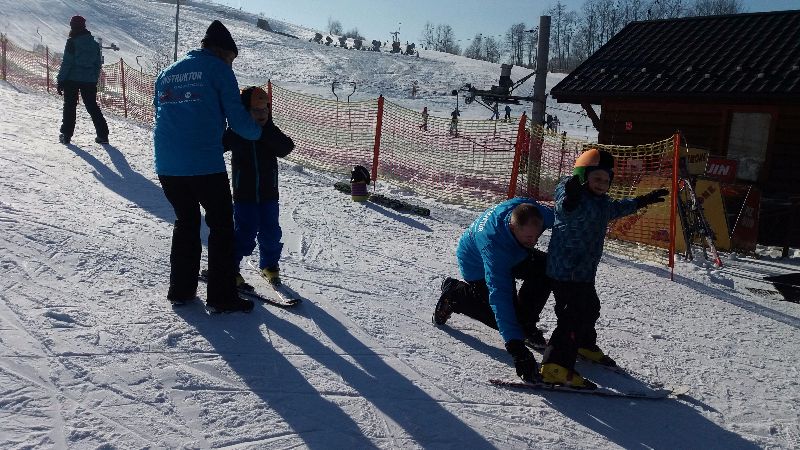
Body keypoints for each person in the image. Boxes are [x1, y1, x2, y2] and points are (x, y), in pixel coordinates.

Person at [153, 20, 263, 313]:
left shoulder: (167, 73)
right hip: (203, 164)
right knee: (221, 226)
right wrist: (259, 131)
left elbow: (159, 114)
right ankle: (221, 296)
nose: (231, 64)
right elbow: (238, 121)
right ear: (223, 52)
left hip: (167, 164)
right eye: (231, 59)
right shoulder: (218, 69)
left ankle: (181, 290)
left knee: (186, 222)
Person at [540, 149, 669, 388]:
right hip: (566, 271)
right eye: (596, 178)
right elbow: (564, 210)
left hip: (584, 271)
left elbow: (617, 209)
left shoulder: (602, 202)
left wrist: (643, 200)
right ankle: (554, 366)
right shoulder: (570, 191)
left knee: (590, 308)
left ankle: (583, 344)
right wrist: (571, 198)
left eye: (606, 180)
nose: (602, 184)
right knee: (572, 317)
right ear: (582, 175)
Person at [433, 198, 555, 383]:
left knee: (547, 268)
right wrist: (516, 347)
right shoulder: (493, 246)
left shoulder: (536, 214)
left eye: (536, 236)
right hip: (477, 265)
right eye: (529, 238)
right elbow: (500, 296)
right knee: (506, 318)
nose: (534, 242)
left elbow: (564, 219)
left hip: (513, 251)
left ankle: (526, 325)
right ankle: (455, 294)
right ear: (513, 228)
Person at [224, 86, 294, 287]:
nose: (262, 114)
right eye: (256, 110)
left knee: (271, 232)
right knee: (244, 233)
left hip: (268, 194)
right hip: (244, 195)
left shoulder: (269, 130)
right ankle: (230, 268)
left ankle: (269, 265)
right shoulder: (237, 132)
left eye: (265, 109)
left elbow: (286, 147)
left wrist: (265, 133)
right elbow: (216, 145)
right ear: (246, 111)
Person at [56, 15, 109, 145]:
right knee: (92, 106)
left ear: (73, 26)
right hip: (89, 80)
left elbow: (67, 63)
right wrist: (93, 78)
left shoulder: (72, 42)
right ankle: (103, 135)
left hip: (71, 79)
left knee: (70, 106)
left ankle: (66, 135)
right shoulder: (94, 44)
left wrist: (61, 80)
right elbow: (97, 64)